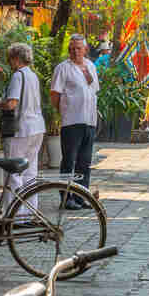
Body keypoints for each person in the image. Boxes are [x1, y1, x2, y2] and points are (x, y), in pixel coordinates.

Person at [50, 34, 99, 210]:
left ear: (85, 49)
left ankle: (81, 196)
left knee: (84, 162)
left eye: (78, 48)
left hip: (89, 120)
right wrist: (63, 111)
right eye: (72, 48)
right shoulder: (63, 68)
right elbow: (55, 94)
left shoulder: (91, 66)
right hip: (71, 121)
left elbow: (94, 91)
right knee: (68, 161)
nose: (75, 51)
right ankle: (66, 197)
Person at [0, 42, 45, 219]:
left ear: (16, 59)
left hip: (21, 130)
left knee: (14, 172)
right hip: (37, 128)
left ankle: (15, 215)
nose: (9, 63)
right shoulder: (33, 76)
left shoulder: (18, 76)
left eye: (10, 59)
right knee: (30, 171)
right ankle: (29, 212)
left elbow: (12, 103)